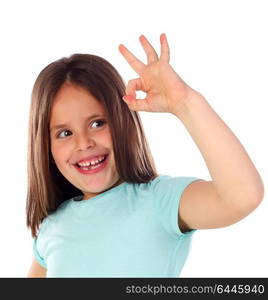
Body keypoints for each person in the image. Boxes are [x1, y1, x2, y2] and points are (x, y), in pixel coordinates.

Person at [26, 33, 264, 278]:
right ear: (47, 148)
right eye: (64, 133)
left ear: (124, 123)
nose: (84, 143)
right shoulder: (51, 228)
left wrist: (185, 102)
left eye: (97, 123)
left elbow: (243, 196)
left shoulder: (159, 201)